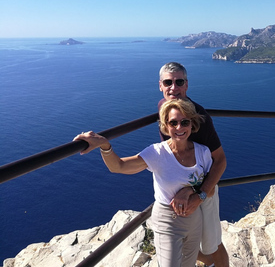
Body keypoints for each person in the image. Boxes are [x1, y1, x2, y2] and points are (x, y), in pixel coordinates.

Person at [74, 99, 211, 267]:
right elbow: (119, 166)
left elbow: (209, 188)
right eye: (173, 122)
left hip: (194, 217)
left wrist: (190, 191)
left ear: (192, 123)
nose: (179, 128)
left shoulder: (202, 152)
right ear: (165, 125)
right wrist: (104, 145)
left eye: (184, 122)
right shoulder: (158, 153)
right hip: (168, 220)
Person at [158, 62, 229, 267]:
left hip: (203, 189)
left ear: (186, 85)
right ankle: (207, 262)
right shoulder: (164, 108)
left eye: (179, 82)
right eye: (168, 82)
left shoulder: (199, 116)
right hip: (178, 190)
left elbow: (221, 160)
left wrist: (199, 194)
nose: (174, 87)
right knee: (184, 238)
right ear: (160, 86)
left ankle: (213, 261)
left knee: (212, 244)